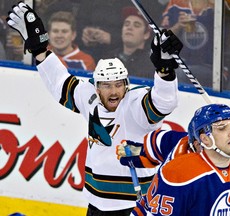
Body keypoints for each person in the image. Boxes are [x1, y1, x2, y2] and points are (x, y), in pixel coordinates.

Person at [6, 2, 183, 215]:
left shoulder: (135, 104)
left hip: (133, 205)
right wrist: (40, 49)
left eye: (118, 84)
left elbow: (164, 101)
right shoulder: (88, 96)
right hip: (96, 201)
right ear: (96, 87)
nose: (114, 91)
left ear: (126, 84)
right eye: (107, 86)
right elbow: (60, 82)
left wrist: (164, 70)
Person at [117, 103, 230, 215]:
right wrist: (136, 152)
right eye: (222, 128)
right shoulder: (178, 173)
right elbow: (151, 146)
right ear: (203, 139)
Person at [161, 0, 215, 87]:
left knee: (180, 72)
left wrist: (215, 10)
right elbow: (161, 40)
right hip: (181, 61)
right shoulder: (175, 4)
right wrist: (178, 26)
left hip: (209, 66)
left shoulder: (217, 6)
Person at [103, 6, 155, 79]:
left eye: (136, 25)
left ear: (146, 34)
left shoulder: (152, 64)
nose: (129, 28)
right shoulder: (108, 58)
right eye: (126, 24)